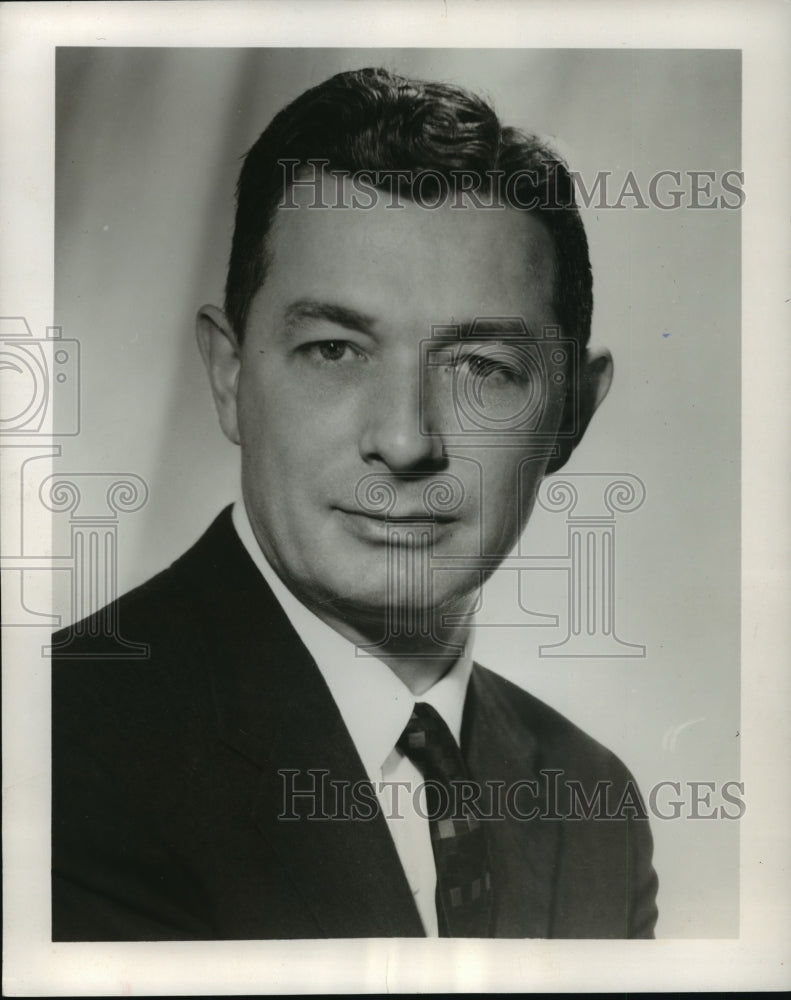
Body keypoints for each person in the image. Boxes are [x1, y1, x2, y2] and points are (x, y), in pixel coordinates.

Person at [51, 67, 658, 940]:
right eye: (335, 350)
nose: (405, 441)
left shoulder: (593, 803)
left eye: (481, 368)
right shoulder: (55, 748)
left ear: (570, 414)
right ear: (228, 375)